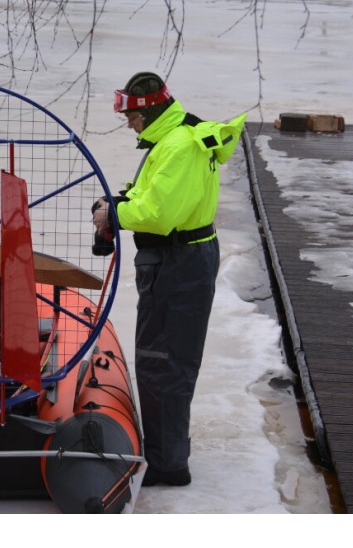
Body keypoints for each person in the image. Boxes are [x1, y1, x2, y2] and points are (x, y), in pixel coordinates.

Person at [92, 72, 246, 486]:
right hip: (181, 258)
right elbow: (154, 196)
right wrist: (121, 201)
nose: (128, 125)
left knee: (164, 363)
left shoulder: (177, 146)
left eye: (131, 117)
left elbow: (159, 215)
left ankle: (168, 464)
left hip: (177, 262)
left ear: (150, 110)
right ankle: (165, 451)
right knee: (166, 360)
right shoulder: (175, 136)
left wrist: (115, 215)